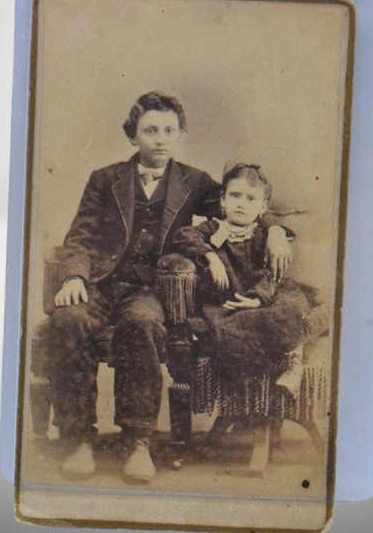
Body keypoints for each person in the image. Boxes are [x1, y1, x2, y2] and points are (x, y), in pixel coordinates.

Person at [44, 92, 292, 483]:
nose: (160, 138)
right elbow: (80, 236)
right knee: (67, 319)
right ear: (133, 136)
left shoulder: (193, 181)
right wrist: (74, 276)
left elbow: (242, 202)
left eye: (169, 131)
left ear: (180, 136)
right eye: (150, 130)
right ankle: (78, 438)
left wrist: (275, 229)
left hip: (151, 290)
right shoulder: (105, 178)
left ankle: (137, 440)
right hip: (101, 283)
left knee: (142, 324)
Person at [173, 163, 310, 393]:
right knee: (222, 325)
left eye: (250, 199)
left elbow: (271, 275)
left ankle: (293, 369)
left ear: (262, 207)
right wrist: (209, 255)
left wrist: (258, 299)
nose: (241, 204)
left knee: (294, 309)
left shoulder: (262, 234)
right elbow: (183, 235)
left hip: (263, 296)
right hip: (229, 300)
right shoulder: (213, 228)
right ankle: (246, 382)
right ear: (223, 201)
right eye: (235, 196)